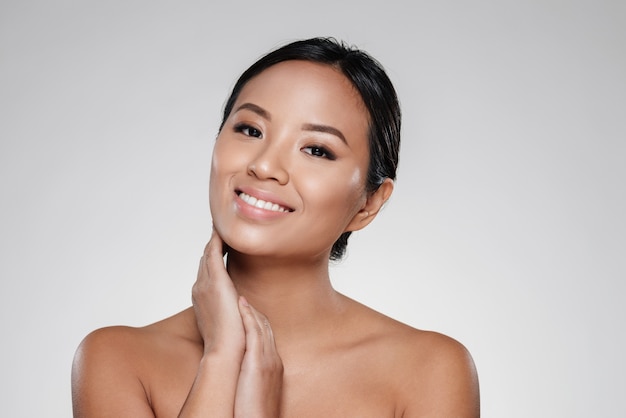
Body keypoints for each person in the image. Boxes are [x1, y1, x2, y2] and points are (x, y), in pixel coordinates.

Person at [71, 37, 480, 417]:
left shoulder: (429, 371)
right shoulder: (117, 360)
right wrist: (221, 358)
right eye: (250, 130)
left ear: (369, 203)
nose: (264, 165)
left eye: (317, 150)